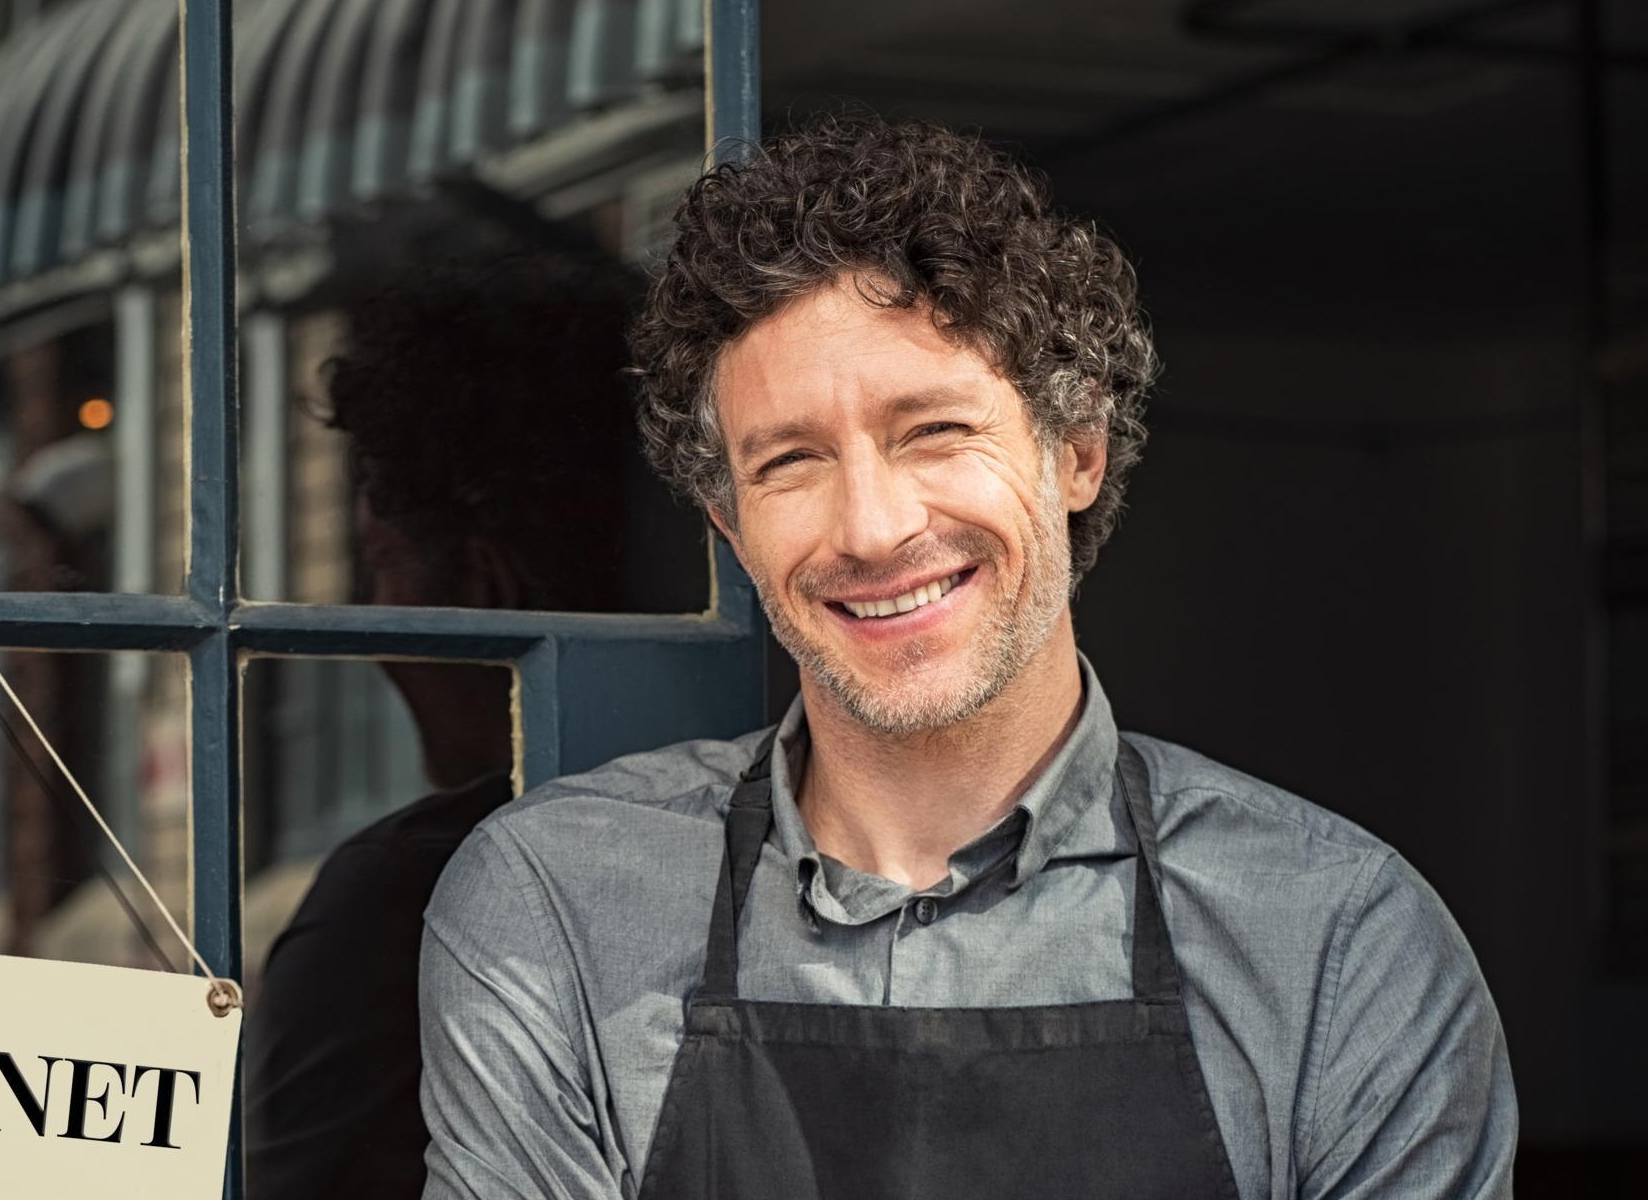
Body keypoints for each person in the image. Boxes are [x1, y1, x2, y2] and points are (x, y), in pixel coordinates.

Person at [416, 117, 1518, 1200]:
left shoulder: (1333, 939)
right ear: (726, 523)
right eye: (791, 459)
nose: (870, 528)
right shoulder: (556, 910)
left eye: (933, 432)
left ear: (1075, 447)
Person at [243, 241, 653, 1200]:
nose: (372, 635)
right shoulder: (822, 838)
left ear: (478, 588)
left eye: (379, 573)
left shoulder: (404, 904)